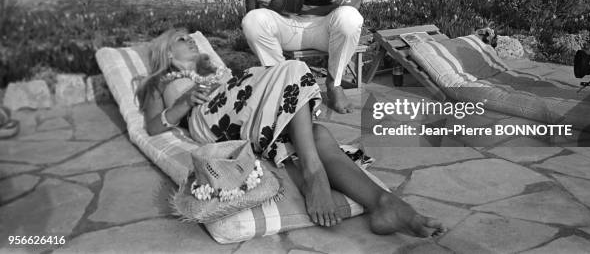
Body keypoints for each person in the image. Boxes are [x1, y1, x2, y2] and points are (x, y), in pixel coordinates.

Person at [137, 28, 446, 237]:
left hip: (242, 107)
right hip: (210, 118)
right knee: (293, 70)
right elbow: (154, 126)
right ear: (166, 52)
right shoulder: (160, 81)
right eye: (181, 38)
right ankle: (314, 173)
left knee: (317, 134)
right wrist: (183, 101)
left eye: (190, 38)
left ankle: (384, 204)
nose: (191, 40)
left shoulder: (211, 67)